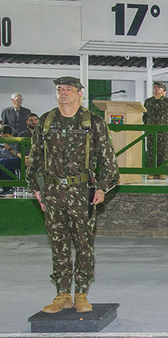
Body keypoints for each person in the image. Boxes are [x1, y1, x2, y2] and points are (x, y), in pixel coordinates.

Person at [27, 76, 119, 313]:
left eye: (69, 89)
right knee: (58, 245)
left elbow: (109, 162)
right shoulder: (45, 122)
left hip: (82, 193)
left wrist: (102, 188)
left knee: (83, 244)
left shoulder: (93, 123)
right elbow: (35, 158)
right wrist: (36, 188)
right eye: (60, 89)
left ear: (80, 93)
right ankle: (62, 294)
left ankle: (81, 293)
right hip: (52, 192)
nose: (64, 93)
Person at [143, 81, 168, 180]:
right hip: (151, 131)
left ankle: (162, 172)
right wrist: (146, 127)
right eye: (155, 87)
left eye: (159, 88)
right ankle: (152, 172)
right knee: (151, 152)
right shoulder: (148, 102)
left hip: (163, 132)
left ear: (163, 90)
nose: (156, 89)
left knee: (163, 153)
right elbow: (145, 116)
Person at [0, 125, 22, 196]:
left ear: (11, 134)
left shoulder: (15, 142)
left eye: (6, 136)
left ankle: (8, 188)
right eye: (2, 136)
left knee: (5, 164)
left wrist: (9, 148)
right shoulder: (1, 141)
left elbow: (17, 153)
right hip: (2, 159)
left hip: (11, 160)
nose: (4, 138)